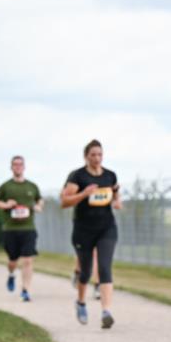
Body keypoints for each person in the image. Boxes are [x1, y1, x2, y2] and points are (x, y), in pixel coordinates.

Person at [61, 139, 120, 328]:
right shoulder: (77, 176)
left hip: (106, 228)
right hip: (83, 231)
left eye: (100, 154)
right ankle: (80, 302)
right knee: (85, 272)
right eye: (93, 154)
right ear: (86, 156)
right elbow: (64, 202)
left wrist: (117, 201)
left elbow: (114, 193)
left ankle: (106, 311)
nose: (97, 158)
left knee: (104, 267)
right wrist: (84, 194)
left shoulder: (110, 175)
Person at [0, 155, 43, 302]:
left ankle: (25, 290)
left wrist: (39, 206)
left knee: (27, 260)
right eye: (15, 165)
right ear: (11, 167)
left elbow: (39, 199)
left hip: (28, 228)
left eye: (20, 164)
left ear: (24, 167)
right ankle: (11, 274)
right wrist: (6, 205)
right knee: (12, 261)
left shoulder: (32, 186)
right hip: (10, 229)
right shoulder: (6, 186)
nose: (18, 167)